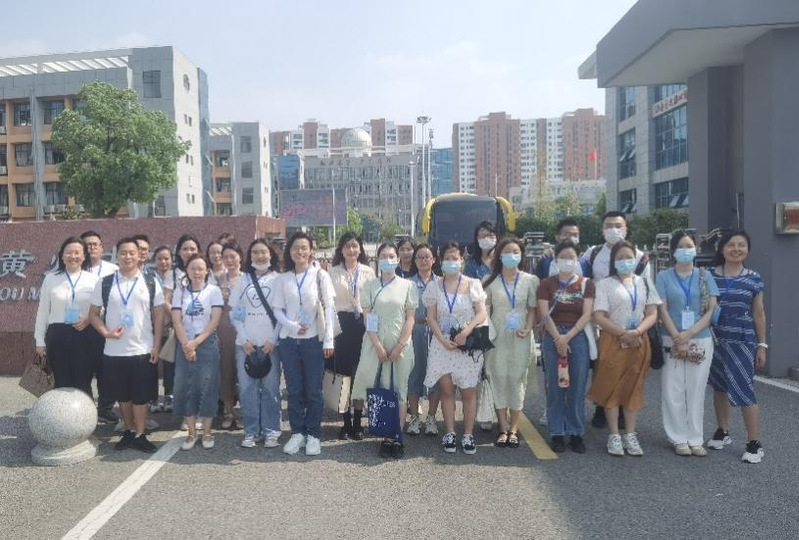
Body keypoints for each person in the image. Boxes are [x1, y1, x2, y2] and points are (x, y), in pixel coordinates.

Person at [88, 238, 165, 454]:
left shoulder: (150, 281)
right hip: (114, 351)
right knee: (123, 395)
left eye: (132, 252)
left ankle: (140, 434)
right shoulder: (105, 282)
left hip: (143, 349)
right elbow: (93, 314)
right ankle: (129, 431)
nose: (128, 257)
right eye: (123, 253)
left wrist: (157, 344)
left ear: (139, 255)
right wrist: (106, 333)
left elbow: (159, 315)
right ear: (116, 255)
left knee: (141, 395)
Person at [588, 240, 661, 457]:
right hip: (613, 340)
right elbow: (599, 316)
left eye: (629, 257)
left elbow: (652, 313)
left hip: (639, 341)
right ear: (613, 261)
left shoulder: (644, 283)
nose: (625, 261)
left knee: (633, 387)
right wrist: (623, 333)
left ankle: (630, 434)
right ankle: (614, 435)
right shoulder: (604, 284)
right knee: (611, 386)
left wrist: (636, 332)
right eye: (620, 258)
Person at [581, 211, 651, 429]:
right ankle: (602, 407)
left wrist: (638, 329)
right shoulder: (592, 254)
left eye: (618, 225)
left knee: (629, 368)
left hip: (632, 322)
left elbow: (646, 289)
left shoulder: (640, 257)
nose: (614, 230)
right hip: (600, 319)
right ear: (602, 230)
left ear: (626, 228)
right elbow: (583, 282)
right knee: (603, 366)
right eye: (609, 226)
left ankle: (622, 409)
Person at [271, 232, 336, 457]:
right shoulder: (283, 278)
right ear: (289, 252)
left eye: (304, 248)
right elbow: (277, 309)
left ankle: (314, 435)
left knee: (314, 391)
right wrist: (291, 324)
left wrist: (329, 340)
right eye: (295, 248)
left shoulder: (320, 275)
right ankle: (297, 432)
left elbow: (329, 308)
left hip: (313, 341)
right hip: (289, 342)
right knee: (294, 390)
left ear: (311, 251)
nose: (300, 251)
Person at [655, 230, 719, 457]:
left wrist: (689, 333)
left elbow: (711, 309)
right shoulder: (663, 277)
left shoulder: (705, 275)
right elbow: (662, 309)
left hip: (700, 337)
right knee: (673, 389)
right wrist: (677, 336)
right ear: (673, 251)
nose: (685, 250)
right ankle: (678, 437)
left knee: (696, 389)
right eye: (681, 246)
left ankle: (695, 437)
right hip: (670, 338)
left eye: (689, 246)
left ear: (696, 249)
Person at [706, 230, 767, 464]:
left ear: (747, 250)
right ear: (722, 249)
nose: (736, 249)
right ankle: (723, 431)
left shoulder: (754, 278)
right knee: (719, 387)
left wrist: (762, 345)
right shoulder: (709, 275)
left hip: (743, 341)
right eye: (731, 245)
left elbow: (759, 313)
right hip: (715, 339)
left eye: (742, 245)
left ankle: (754, 442)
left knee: (744, 389)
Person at [351, 242, 417, 458]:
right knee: (381, 386)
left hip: (401, 345)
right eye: (383, 256)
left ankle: (397, 436)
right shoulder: (369, 286)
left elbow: (410, 318)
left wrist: (400, 346)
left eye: (391, 256)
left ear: (397, 259)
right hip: (374, 345)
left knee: (400, 389)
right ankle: (386, 435)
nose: (388, 259)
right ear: (377, 259)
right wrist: (378, 345)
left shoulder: (408, 286)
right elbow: (368, 318)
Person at [424, 242, 488, 455]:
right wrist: (442, 339)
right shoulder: (434, 286)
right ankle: (450, 432)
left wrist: (466, 332)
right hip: (442, 346)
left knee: (468, 391)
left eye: (455, 258)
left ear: (462, 260)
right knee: (447, 391)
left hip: (467, 346)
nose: (451, 262)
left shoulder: (472, 284)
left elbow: (481, 313)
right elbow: (431, 317)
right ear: (441, 261)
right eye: (447, 258)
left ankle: (468, 434)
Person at [537, 241, 595, 453]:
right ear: (555, 260)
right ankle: (557, 433)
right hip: (552, 336)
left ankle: (576, 432)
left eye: (571, 257)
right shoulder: (546, 283)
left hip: (577, 336)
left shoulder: (586, 284)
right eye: (563, 257)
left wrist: (567, 337)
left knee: (577, 387)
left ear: (577, 259)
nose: (567, 261)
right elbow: (544, 313)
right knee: (555, 386)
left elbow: (587, 314)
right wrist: (558, 339)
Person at [483, 237, 539, 449]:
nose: (511, 256)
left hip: (520, 337)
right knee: (497, 378)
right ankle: (502, 427)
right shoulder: (490, 280)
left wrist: (529, 327)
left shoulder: (530, 280)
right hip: (497, 338)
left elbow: (532, 308)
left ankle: (514, 429)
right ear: (499, 255)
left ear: (522, 255)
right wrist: (488, 332)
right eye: (507, 252)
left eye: (516, 252)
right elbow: (484, 311)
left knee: (517, 380)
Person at [230, 239, 282, 448]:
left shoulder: (278, 279)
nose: (260, 256)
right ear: (249, 256)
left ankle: (271, 431)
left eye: (263, 252)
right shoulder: (243, 280)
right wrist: (244, 339)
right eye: (255, 252)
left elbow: (282, 313)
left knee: (271, 389)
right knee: (247, 389)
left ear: (270, 254)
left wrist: (273, 339)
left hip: (271, 344)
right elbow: (235, 312)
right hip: (245, 345)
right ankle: (251, 431)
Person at [171, 254, 223, 450]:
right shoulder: (179, 292)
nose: (197, 272)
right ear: (187, 270)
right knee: (185, 387)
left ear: (207, 271)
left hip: (206, 342)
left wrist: (196, 342)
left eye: (201, 268)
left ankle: (207, 432)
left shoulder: (214, 291)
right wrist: (187, 344)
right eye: (193, 268)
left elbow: (214, 320)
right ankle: (192, 433)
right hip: (184, 342)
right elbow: (177, 321)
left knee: (208, 386)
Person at [34, 237, 98, 396]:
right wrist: (40, 341)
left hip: (84, 333)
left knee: (83, 382)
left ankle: (84, 411)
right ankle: (60, 412)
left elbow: (101, 309)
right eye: (68, 252)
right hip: (57, 334)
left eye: (77, 253)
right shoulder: (50, 279)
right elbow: (43, 311)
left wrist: (89, 319)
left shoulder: (94, 280)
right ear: (62, 256)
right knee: (60, 381)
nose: (73, 256)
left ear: (84, 256)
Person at [327, 232, 376, 440]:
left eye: (355, 246)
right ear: (341, 249)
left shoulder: (368, 272)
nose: (351, 250)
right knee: (343, 376)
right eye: (347, 246)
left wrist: (373, 331)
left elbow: (373, 304)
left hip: (362, 326)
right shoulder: (332, 272)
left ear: (360, 249)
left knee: (360, 376)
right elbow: (328, 304)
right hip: (341, 326)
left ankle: (358, 422)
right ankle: (346, 422)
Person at [80, 230, 118, 424]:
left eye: (95, 244)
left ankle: (105, 408)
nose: (91, 248)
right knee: (83, 371)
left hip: (105, 328)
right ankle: (86, 410)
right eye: (87, 245)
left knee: (106, 371)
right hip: (80, 329)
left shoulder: (113, 270)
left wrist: (92, 318)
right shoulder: (76, 269)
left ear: (102, 248)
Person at [405, 243, 441, 437]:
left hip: (437, 333)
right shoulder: (408, 284)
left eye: (427, 257)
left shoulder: (441, 283)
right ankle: (415, 418)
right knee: (414, 374)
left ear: (433, 259)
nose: (423, 260)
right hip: (415, 331)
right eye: (419, 257)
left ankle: (431, 418)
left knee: (436, 373)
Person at [217, 242, 245, 430]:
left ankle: (244, 412)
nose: (229, 260)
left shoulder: (247, 278)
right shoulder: (217, 280)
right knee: (226, 372)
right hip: (224, 330)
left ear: (240, 257)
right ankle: (228, 412)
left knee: (244, 373)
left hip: (245, 330)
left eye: (232, 256)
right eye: (225, 257)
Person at [151, 246, 176, 413]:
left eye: (166, 258)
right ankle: (152, 397)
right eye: (159, 258)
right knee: (150, 363)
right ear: (154, 261)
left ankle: (168, 395)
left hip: (170, 326)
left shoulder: (177, 277)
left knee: (169, 363)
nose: (163, 262)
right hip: (152, 326)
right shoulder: (149, 278)